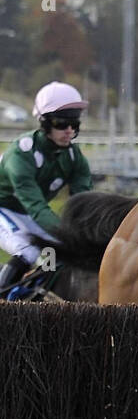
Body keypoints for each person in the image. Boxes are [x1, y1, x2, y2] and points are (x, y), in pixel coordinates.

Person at [0, 82, 92, 288]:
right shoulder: (21, 154)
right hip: (4, 208)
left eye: (74, 124)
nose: (69, 130)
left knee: (56, 250)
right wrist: (68, 234)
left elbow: (83, 203)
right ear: (45, 122)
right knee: (28, 250)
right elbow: (36, 207)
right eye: (61, 123)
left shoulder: (74, 157)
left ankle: (39, 293)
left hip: (27, 212)